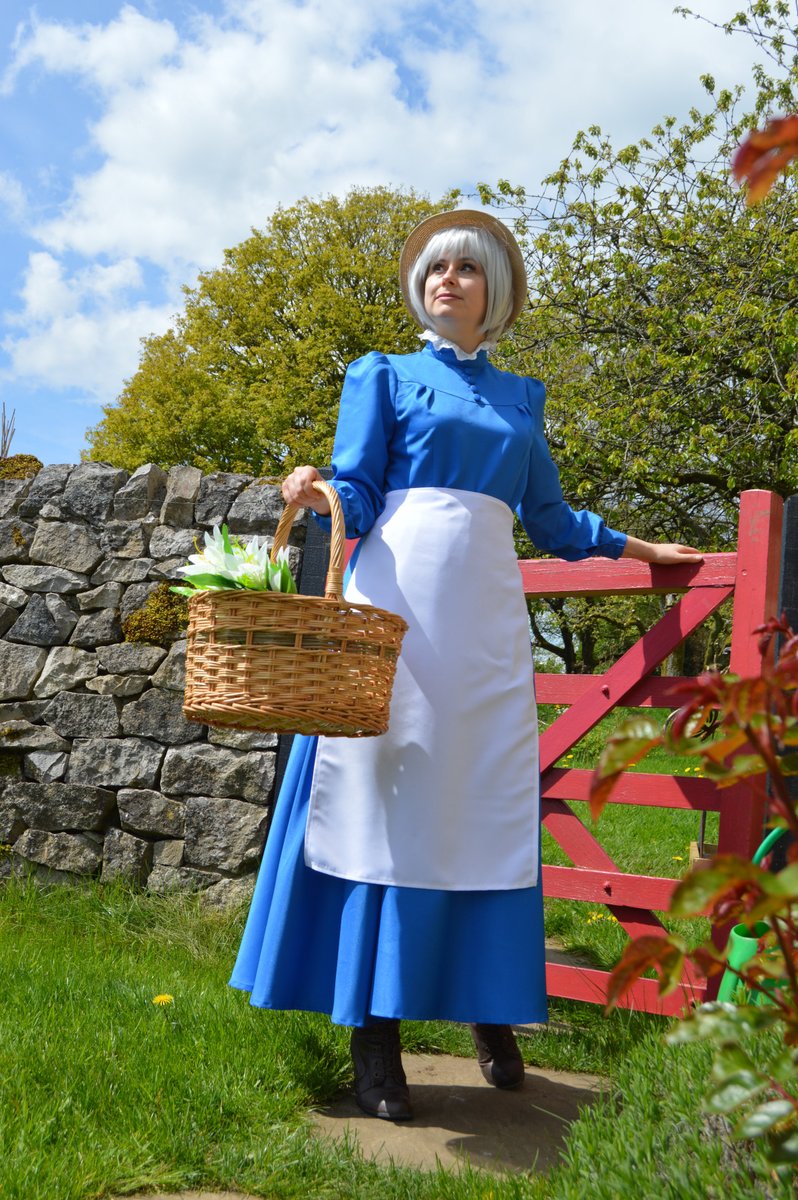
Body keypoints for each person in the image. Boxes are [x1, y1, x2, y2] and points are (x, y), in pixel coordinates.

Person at [229, 209, 702, 1121]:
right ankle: (375, 1042)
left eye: (467, 269)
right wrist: (315, 488)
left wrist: (646, 550)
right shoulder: (382, 375)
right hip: (394, 611)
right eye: (436, 268)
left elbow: (556, 522)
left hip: (485, 626)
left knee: (482, 803)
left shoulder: (523, 397)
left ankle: (489, 1008)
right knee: (381, 801)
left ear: (497, 292)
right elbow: (358, 487)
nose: (447, 278)